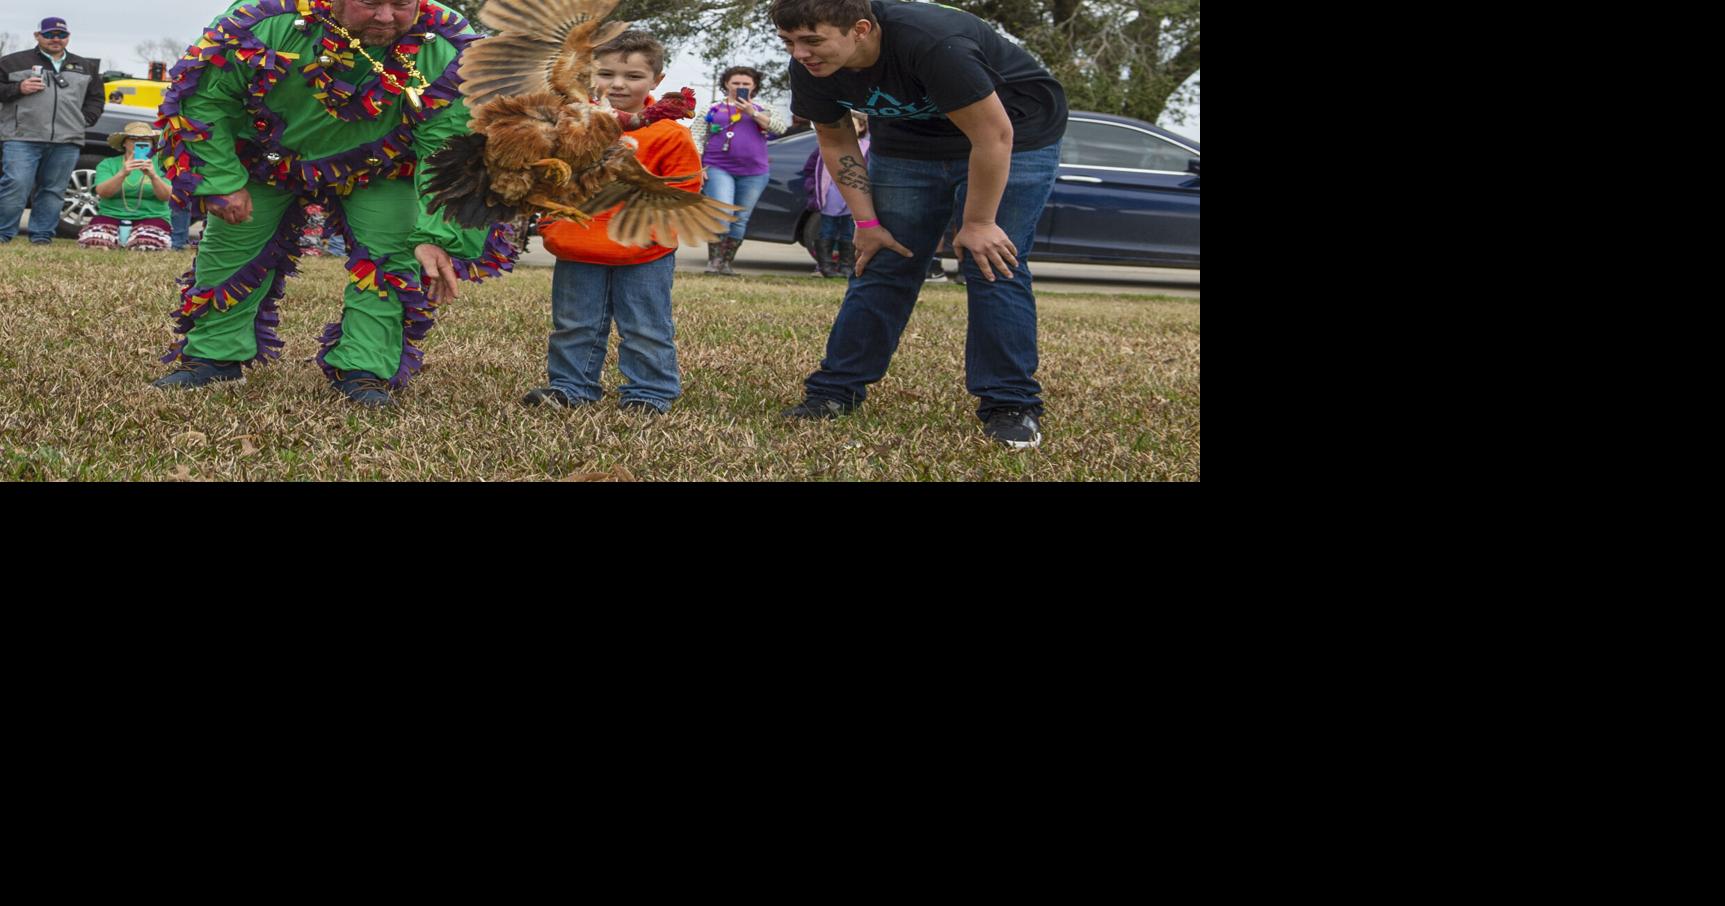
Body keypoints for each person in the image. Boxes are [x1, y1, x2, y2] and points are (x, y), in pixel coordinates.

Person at [146, 0, 516, 408]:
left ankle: (363, 370)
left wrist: (438, 235)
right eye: (370, 2)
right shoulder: (268, 21)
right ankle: (213, 357)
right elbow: (204, 97)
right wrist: (221, 181)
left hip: (381, 164)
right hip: (267, 155)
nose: (386, 17)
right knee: (231, 246)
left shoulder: (444, 44)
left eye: (401, 4)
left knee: (393, 254)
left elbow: (451, 145)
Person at [771, 0, 1067, 449]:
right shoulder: (810, 66)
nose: (800, 53)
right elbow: (835, 139)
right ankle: (834, 392)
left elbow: (993, 135)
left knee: (991, 263)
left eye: (812, 41)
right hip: (909, 144)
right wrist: (867, 222)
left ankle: (1010, 404)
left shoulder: (931, 43)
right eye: (789, 42)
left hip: (1015, 134)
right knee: (883, 260)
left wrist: (979, 222)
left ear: (860, 29)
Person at [522, 30, 700, 415]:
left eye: (633, 76)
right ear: (589, 74)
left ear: (656, 80)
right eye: (606, 74)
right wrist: (552, 220)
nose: (618, 84)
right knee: (574, 324)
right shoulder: (570, 123)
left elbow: (683, 192)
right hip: (577, 246)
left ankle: (649, 392)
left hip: (643, 252)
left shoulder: (670, 134)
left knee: (645, 327)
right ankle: (571, 386)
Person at [0, 17, 105, 244]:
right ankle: (3, 234)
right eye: (49, 34)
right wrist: (18, 88)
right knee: (16, 184)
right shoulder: (11, 62)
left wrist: (83, 120)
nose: (55, 39)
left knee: (54, 190)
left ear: (68, 37)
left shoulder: (85, 67)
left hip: (67, 140)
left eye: (61, 35)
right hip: (22, 137)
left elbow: (96, 98)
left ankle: (41, 237)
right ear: (37, 36)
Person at [694, 65, 784, 275]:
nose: (740, 86)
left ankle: (726, 263)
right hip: (717, 167)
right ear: (727, 84)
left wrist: (753, 113)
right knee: (723, 212)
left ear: (754, 86)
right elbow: (696, 136)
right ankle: (714, 262)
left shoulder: (764, 108)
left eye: (745, 84)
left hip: (754, 172)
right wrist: (698, 165)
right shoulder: (712, 108)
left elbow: (779, 129)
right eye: (735, 83)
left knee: (741, 218)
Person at [78, 121, 174, 250]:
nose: (139, 143)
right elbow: (103, 193)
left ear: (152, 144)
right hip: (111, 215)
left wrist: (153, 176)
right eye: (133, 139)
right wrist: (122, 173)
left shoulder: (162, 165)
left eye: (145, 140)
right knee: (95, 243)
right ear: (124, 143)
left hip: (152, 216)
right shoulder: (108, 164)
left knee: (147, 245)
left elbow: (166, 196)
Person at [799, 110, 867, 277]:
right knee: (826, 230)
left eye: (853, 125)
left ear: (861, 127)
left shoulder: (867, 148)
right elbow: (810, 169)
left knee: (849, 233)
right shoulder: (826, 147)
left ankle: (847, 266)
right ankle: (825, 266)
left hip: (854, 200)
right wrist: (812, 187)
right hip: (830, 197)